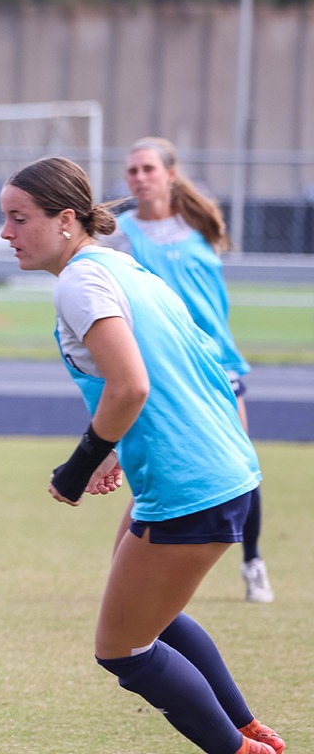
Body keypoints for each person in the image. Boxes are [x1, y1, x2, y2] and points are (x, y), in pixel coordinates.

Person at [0, 156, 281, 754]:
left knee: (123, 649)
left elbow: (132, 385)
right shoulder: (120, 267)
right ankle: (241, 729)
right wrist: (122, 448)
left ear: (66, 220)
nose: (6, 233)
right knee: (149, 611)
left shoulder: (80, 284)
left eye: (19, 218)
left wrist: (78, 466)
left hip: (192, 479)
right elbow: (183, 368)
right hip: (214, 466)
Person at [105, 137, 272, 602]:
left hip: (217, 362)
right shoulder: (121, 233)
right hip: (166, 366)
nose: (138, 178)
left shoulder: (199, 224)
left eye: (147, 169)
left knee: (242, 464)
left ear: (170, 174)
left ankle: (253, 562)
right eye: (132, 170)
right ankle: (126, 566)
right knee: (156, 467)